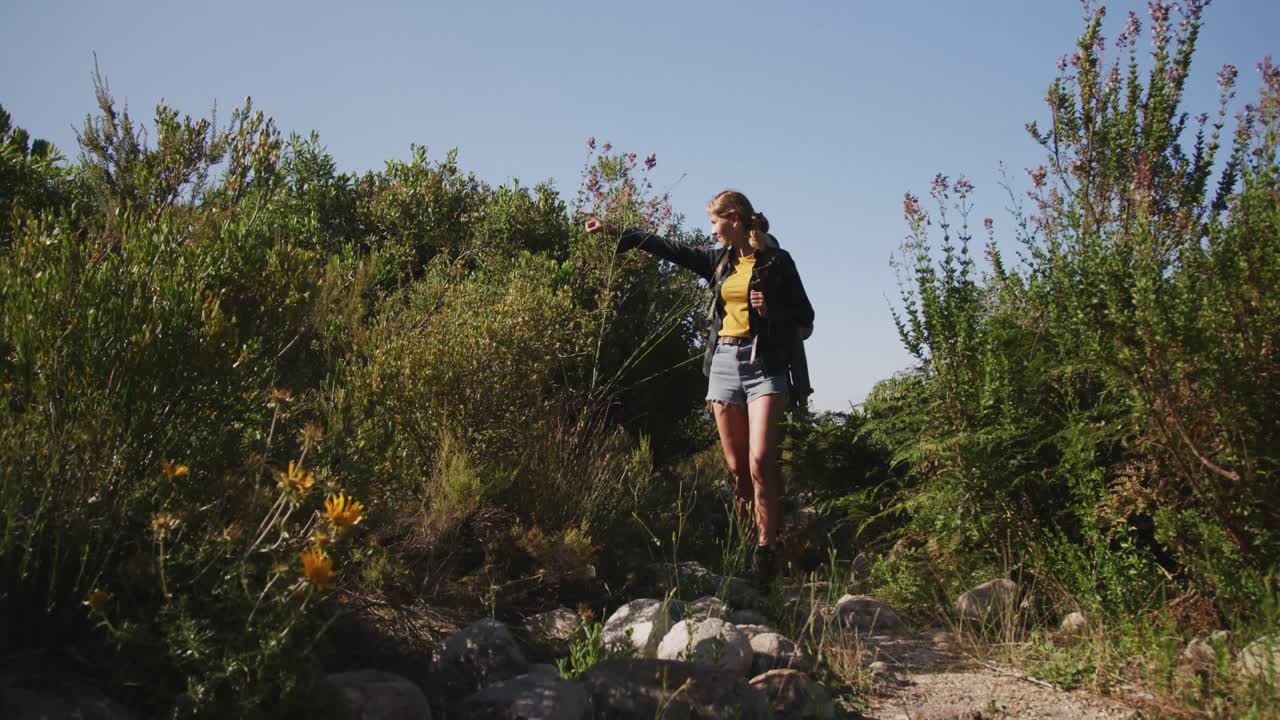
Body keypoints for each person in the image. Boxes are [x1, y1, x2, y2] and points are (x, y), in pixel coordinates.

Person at [581, 190, 814, 585]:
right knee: (738, 471)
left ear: (735, 219)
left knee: (760, 464)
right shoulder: (717, 261)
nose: (712, 230)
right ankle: (745, 548)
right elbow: (668, 249)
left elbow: (806, 321)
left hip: (765, 367)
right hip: (723, 364)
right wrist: (615, 231)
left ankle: (766, 553)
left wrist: (771, 311)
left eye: (714, 222)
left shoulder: (778, 262)